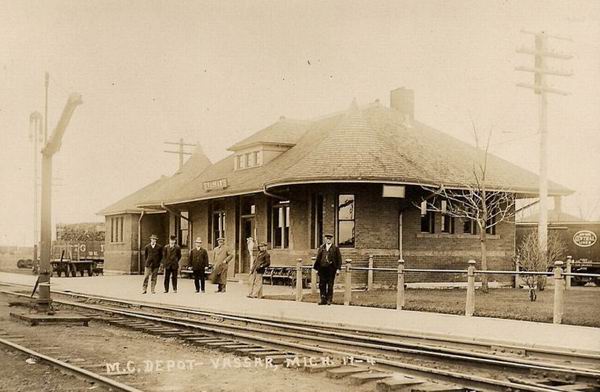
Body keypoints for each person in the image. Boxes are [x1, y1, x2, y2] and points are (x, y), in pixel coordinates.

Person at [313, 233, 342, 305]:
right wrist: (316, 268)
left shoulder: (335, 248)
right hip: (322, 269)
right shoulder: (321, 247)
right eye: (327, 238)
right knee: (322, 284)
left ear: (332, 240)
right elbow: (318, 258)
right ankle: (323, 299)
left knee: (330, 284)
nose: (328, 240)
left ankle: (329, 299)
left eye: (330, 239)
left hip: (331, 269)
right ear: (325, 239)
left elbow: (339, 259)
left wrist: (338, 269)